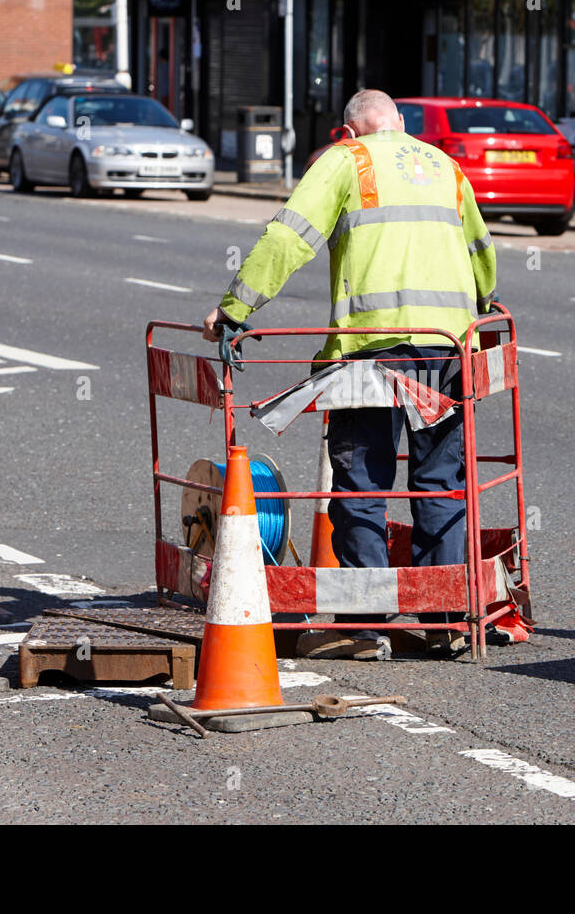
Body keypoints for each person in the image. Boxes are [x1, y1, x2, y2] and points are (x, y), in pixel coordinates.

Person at [202, 88, 496, 658]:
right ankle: (445, 621)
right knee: (441, 480)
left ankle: (368, 625)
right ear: (400, 125)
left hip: (373, 350)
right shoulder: (443, 165)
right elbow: (480, 247)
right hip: (449, 349)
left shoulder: (346, 160)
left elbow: (290, 236)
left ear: (353, 131)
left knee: (363, 481)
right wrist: (484, 304)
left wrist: (235, 308)